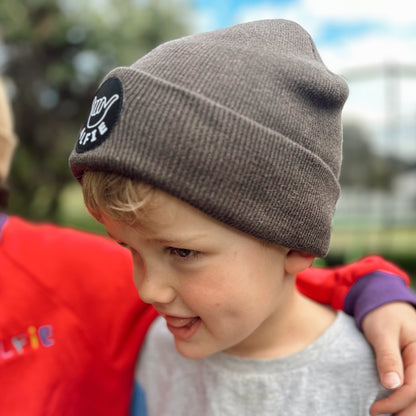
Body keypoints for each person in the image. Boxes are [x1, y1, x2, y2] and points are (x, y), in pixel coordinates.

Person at [68, 19, 416, 415]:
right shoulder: (157, 349)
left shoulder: (383, 383)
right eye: (130, 248)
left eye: (182, 252)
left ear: (295, 241)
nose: (149, 290)